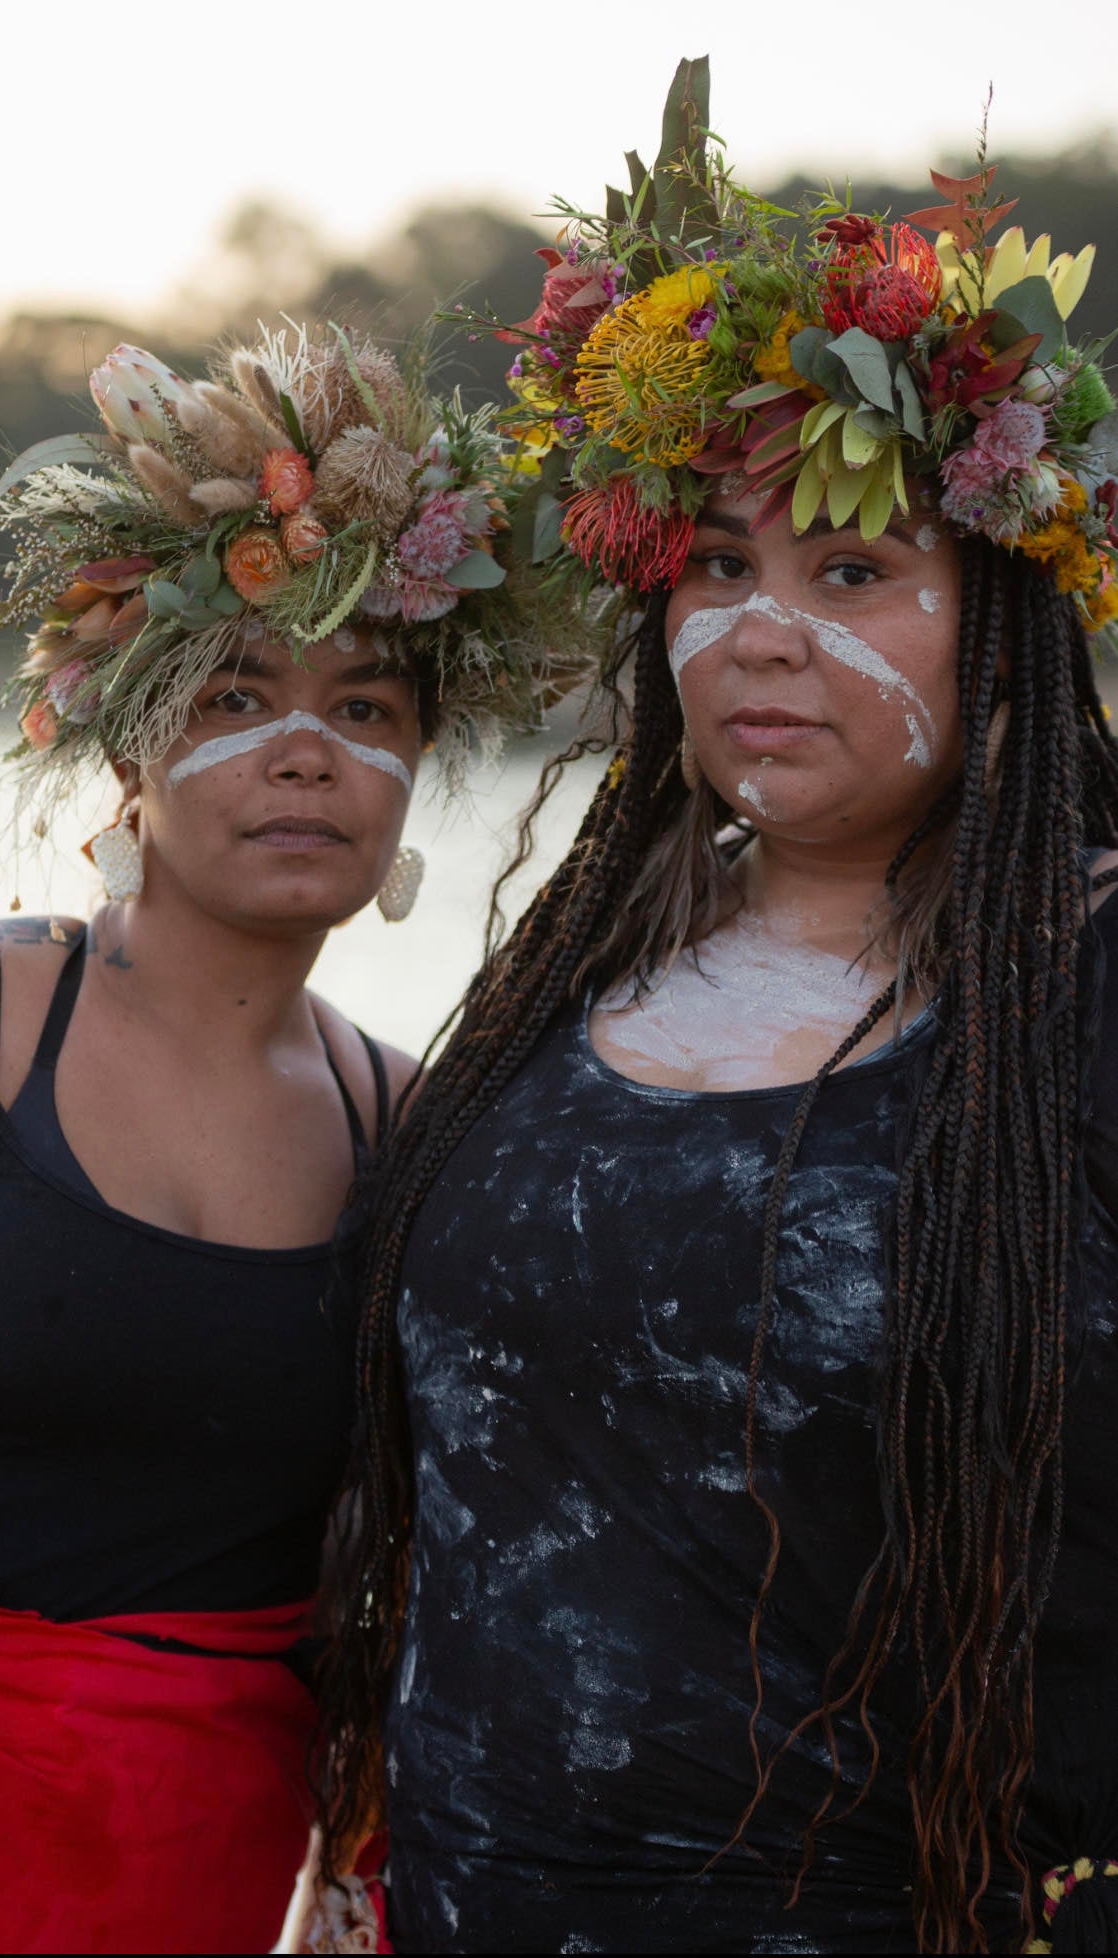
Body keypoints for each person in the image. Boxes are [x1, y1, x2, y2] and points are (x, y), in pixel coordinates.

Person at [319, 62, 1118, 1955]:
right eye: (715, 568)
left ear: (1001, 616)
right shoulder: (564, 981)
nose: (764, 628)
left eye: (852, 569)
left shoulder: (1085, 977)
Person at [0, 320, 546, 1955]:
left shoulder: (412, 1124)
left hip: (197, 1875)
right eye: (236, 691)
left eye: (366, 703)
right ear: (127, 745)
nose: (307, 751)